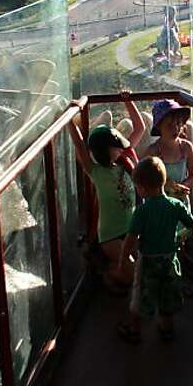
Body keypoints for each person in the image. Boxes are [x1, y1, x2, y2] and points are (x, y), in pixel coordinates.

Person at [66, 93, 146, 291]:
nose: (121, 149)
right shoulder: (95, 172)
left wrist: (127, 101)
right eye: (115, 147)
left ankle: (109, 270)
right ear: (103, 151)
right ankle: (107, 273)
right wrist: (70, 119)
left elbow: (140, 128)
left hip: (130, 230)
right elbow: (79, 145)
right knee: (136, 277)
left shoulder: (122, 162)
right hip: (110, 236)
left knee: (134, 275)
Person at [117, 157, 193, 343]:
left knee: (139, 297)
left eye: (138, 187)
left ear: (143, 188)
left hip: (148, 262)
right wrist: (179, 237)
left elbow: (131, 239)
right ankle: (166, 329)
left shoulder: (142, 211)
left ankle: (134, 330)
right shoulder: (175, 205)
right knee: (167, 296)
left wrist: (122, 260)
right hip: (170, 259)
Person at [144, 99, 193, 208]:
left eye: (178, 123)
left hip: (181, 202)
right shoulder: (153, 151)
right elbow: (145, 179)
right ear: (159, 126)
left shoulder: (186, 147)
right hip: (160, 204)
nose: (175, 128)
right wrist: (167, 186)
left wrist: (184, 186)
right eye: (169, 125)